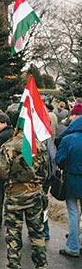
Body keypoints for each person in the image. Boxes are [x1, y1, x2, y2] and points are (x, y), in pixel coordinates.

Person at [0, 128, 48, 269]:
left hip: (15, 195)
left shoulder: (8, 146)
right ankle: (42, 268)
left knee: (13, 233)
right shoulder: (40, 146)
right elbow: (45, 173)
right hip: (35, 194)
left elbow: (1, 173)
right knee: (37, 232)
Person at [55, 103, 82, 258]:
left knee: (73, 213)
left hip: (72, 179)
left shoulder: (69, 139)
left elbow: (59, 160)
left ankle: (73, 247)